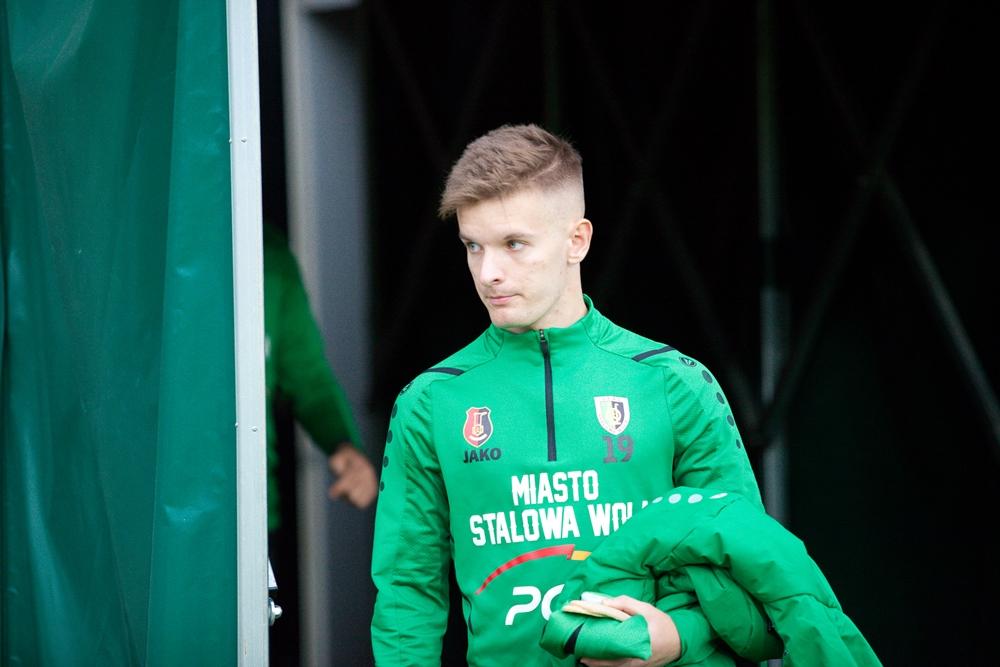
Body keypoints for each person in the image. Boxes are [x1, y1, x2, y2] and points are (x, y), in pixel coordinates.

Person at [370, 124, 764, 666]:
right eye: (472, 246)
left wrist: (674, 639)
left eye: (514, 244)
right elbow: (407, 592)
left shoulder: (674, 381)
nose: (488, 272)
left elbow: (749, 569)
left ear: (577, 240)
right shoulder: (430, 400)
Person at [264, 222, 377, 664]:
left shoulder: (267, 256)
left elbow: (308, 377)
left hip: (252, 517)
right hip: (159, 514)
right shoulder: (151, 242)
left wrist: (343, 447)